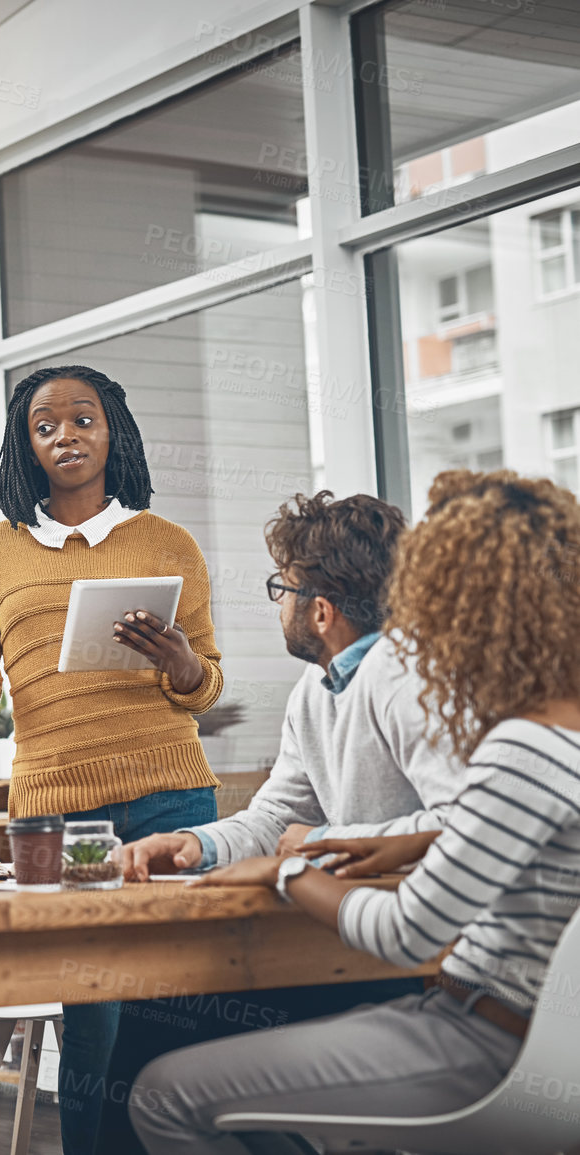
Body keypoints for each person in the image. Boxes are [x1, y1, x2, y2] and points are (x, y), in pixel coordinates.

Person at [130, 469, 580, 1154]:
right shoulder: (546, 737)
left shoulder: (515, 740)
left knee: (161, 1076)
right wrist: (201, 843)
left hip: (483, 1032)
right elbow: (287, 812)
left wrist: (283, 870)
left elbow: (409, 930)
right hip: (495, 1023)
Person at [97, 491, 467, 1152]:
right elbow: (277, 814)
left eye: (281, 588)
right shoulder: (320, 687)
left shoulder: (406, 678)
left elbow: (460, 820)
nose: (278, 603)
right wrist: (192, 843)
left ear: (319, 610)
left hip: (415, 957)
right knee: (171, 1011)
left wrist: (317, 844)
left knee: (166, 1020)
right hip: (350, 940)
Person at [0, 364, 225, 1154]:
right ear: (23, 443)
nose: (64, 434)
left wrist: (179, 663)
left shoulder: (166, 541)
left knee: (178, 1002)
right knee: (91, 1014)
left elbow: (203, 686)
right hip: (54, 811)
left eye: (82, 419)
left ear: (112, 432)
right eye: (44, 425)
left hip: (171, 795)